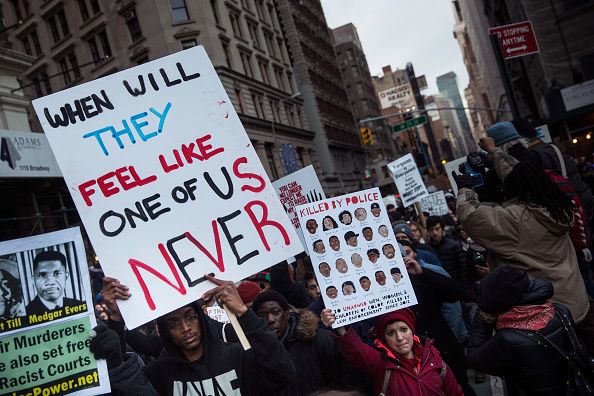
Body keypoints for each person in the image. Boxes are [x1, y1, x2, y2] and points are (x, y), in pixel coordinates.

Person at [456, 137, 592, 352]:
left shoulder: (517, 219)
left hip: (546, 318)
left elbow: (471, 217)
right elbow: (520, 173)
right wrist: (494, 152)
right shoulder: (555, 205)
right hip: (576, 304)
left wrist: (465, 189)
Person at [90, 275, 295, 395]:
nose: (185, 328)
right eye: (174, 323)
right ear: (165, 332)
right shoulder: (159, 373)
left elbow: (283, 373)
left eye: (190, 317)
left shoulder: (237, 356)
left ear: (202, 319)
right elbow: (127, 390)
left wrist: (243, 311)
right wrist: (116, 322)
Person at [468, 266, 577, 395]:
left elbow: (475, 359)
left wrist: (482, 320)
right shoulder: (560, 311)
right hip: (569, 386)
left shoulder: (507, 338)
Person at [321, 308, 463, 396]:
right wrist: (339, 325)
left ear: (412, 331)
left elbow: (455, 392)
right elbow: (355, 349)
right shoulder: (380, 364)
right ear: (384, 339)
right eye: (391, 333)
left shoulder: (433, 357)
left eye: (403, 329)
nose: (400, 338)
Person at [252, 291, 353, 395]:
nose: (270, 320)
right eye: (262, 315)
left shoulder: (320, 340)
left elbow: (344, 381)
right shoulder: (252, 353)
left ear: (287, 314)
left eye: (276, 312)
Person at [26, 250, 84, 316]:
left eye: (56, 274)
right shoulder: (26, 313)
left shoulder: (79, 305)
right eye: (42, 274)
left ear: (66, 276)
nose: (50, 282)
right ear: (33, 279)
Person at [426, 217, 469, 288]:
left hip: (455, 285)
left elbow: (463, 269)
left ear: (442, 229)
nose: (434, 233)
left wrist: (463, 287)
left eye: (437, 229)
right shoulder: (427, 249)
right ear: (428, 231)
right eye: (431, 230)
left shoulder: (454, 246)